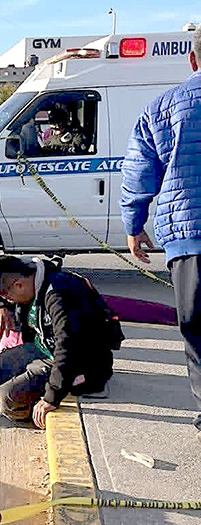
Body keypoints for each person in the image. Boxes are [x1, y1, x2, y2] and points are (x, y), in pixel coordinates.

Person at [119, 27, 201, 440]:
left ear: (193, 59)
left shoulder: (164, 108)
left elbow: (138, 173)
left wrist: (133, 225)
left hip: (190, 236)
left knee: (197, 327)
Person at [0, 256, 120, 427]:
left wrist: (52, 397)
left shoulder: (59, 295)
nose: (9, 302)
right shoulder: (32, 278)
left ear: (19, 285)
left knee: (6, 398)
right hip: (44, 348)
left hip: (81, 363)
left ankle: (33, 406)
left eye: (9, 298)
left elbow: (67, 347)